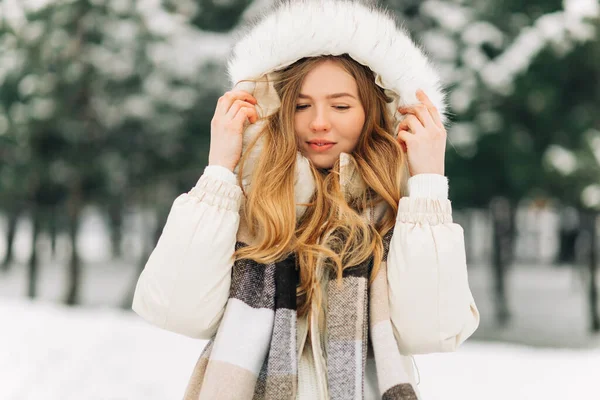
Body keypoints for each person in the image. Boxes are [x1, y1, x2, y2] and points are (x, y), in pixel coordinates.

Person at [132, 1, 480, 399]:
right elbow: (177, 311)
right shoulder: (244, 205)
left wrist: (429, 184)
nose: (318, 122)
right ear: (278, 111)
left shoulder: (398, 213)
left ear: (373, 113)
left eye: (341, 105)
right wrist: (218, 173)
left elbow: (430, 329)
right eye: (301, 105)